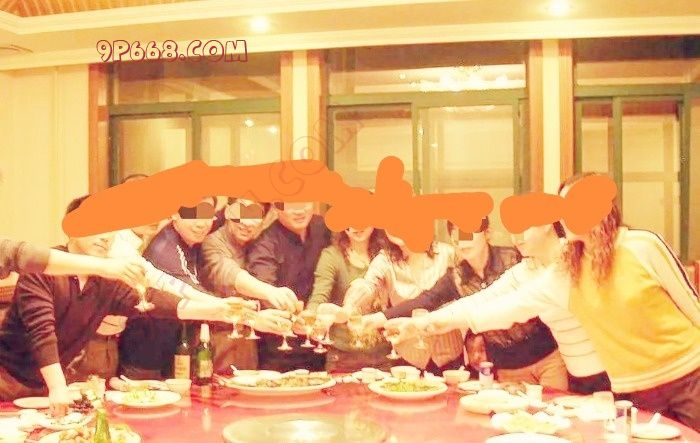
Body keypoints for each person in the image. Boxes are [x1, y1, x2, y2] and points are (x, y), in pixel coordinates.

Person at [390, 173, 700, 430]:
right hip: (631, 390)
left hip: (688, 376)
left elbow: (692, 305)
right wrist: (423, 324)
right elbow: (503, 307)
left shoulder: (642, 245)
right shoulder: (567, 269)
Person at [0, 201, 290, 417]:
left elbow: (156, 302)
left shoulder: (107, 280)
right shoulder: (43, 272)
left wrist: (232, 313)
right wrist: (57, 387)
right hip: (8, 378)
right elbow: (42, 332)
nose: (105, 236)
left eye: (111, 229)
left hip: (49, 384)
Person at [381, 221, 609, 394]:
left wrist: (425, 324)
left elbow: (509, 308)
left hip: (601, 368)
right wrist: (419, 323)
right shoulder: (527, 268)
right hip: (572, 370)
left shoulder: (567, 262)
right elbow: (483, 299)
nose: (516, 236)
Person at [199, 198, 298, 372]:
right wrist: (269, 292)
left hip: (248, 345)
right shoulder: (212, 243)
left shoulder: (256, 244)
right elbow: (230, 274)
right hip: (216, 343)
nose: (246, 222)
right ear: (228, 212)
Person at [343, 230, 455, 372]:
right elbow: (368, 285)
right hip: (408, 358)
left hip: (450, 356)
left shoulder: (446, 253)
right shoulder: (385, 260)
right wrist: (349, 306)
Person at [247, 202, 331, 372]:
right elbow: (267, 294)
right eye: (290, 204)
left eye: (304, 201)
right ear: (276, 206)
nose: (299, 210)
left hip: (323, 348)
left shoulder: (323, 227)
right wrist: (294, 318)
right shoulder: (265, 244)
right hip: (280, 351)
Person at [306, 227, 390, 372]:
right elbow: (319, 297)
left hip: (385, 353)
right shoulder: (332, 256)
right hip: (343, 356)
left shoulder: (386, 254)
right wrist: (311, 317)